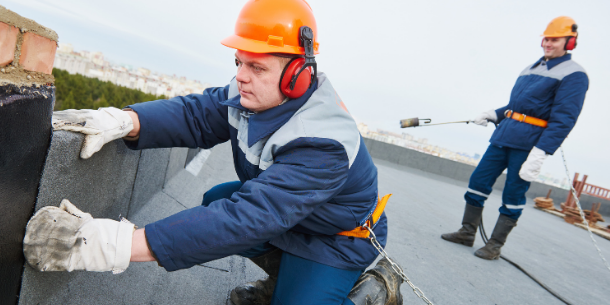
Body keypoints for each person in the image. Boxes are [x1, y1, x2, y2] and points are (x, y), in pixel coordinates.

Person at [23, 1, 404, 304]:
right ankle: (284, 280)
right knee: (216, 199)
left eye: (256, 66)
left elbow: (249, 218)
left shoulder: (324, 143)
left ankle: (373, 293)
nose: (240, 75)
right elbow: (196, 115)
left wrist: (113, 245)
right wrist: (125, 120)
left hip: (336, 237)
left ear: (297, 75)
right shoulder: (252, 93)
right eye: (239, 61)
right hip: (291, 217)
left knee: (236, 220)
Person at [441, 16, 589, 260]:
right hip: (504, 135)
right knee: (478, 182)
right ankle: (467, 233)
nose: (548, 43)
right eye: (546, 38)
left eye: (555, 39)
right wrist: (494, 114)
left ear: (570, 42)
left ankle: (494, 245)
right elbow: (517, 106)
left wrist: (541, 152)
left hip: (529, 144)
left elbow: (564, 119)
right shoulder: (532, 68)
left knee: (513, 194)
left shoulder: (574, 75)